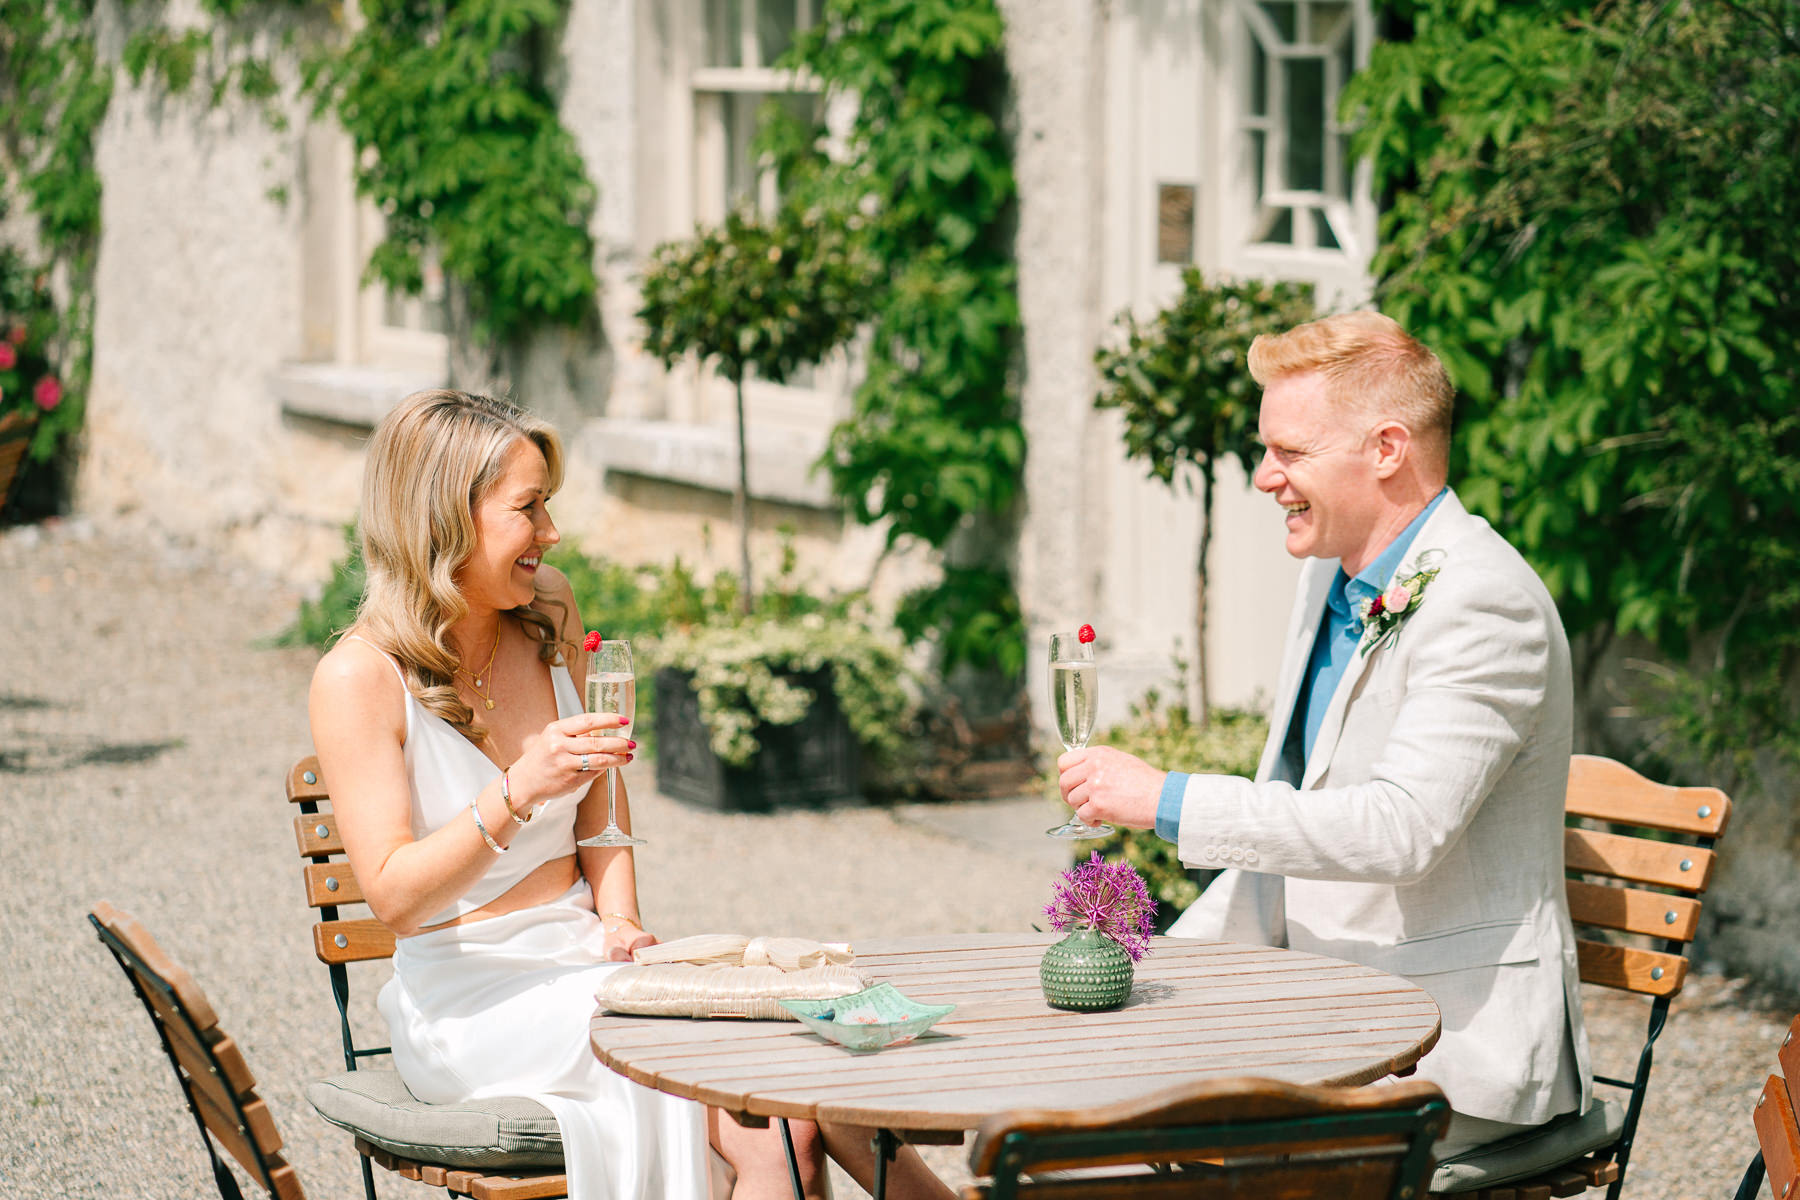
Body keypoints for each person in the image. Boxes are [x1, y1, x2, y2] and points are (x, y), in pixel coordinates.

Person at [310, 389, 951, 1200]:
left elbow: (602, 800)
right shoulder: (356, 678)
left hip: (588, 967)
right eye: (529, 508)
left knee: (804, 1043)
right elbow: (396, 900)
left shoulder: (547, 608)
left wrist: (620, 919)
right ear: (446, 520)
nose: (551, 531)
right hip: (472, 1004)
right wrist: (514, 791)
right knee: (776, 1104)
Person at [1055, 312, 1592, 1157]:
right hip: (1317, 1005)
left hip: (1448, 1047)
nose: (1266, 477)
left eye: (1291, 453)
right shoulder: (1328, 580)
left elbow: (1401, 831)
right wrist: (1145, 969)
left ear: (1387, 450)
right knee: (1060, 1095)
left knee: (1113, 1144)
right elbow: (1298, 823)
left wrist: (1165, 799)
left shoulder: (1486, 602)